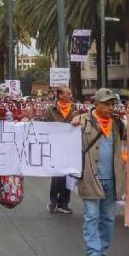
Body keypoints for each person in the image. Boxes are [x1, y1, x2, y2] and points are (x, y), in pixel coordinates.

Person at [73, 88, 126, 256]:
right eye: (107, 104)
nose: (111, 107)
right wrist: (73, 123)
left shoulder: (118, 123)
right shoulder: (82, 120)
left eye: (112, 104)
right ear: (96, 103)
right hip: (90, 177)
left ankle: (102, 251)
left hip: (112, 178)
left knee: (108, 218)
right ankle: (93, 253)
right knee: (92, 216)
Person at [44, 86, 79, 215]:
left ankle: (64, 203)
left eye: (70, 93)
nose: (71, 95)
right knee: (57, 176)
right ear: (60, 96)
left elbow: (79, 123)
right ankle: (53, 201)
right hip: (56, 146)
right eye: (68, 93)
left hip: (70, 147)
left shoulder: (74, 109)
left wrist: (77, 120)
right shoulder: (50, 109)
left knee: (68, 175)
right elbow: (45, 125)